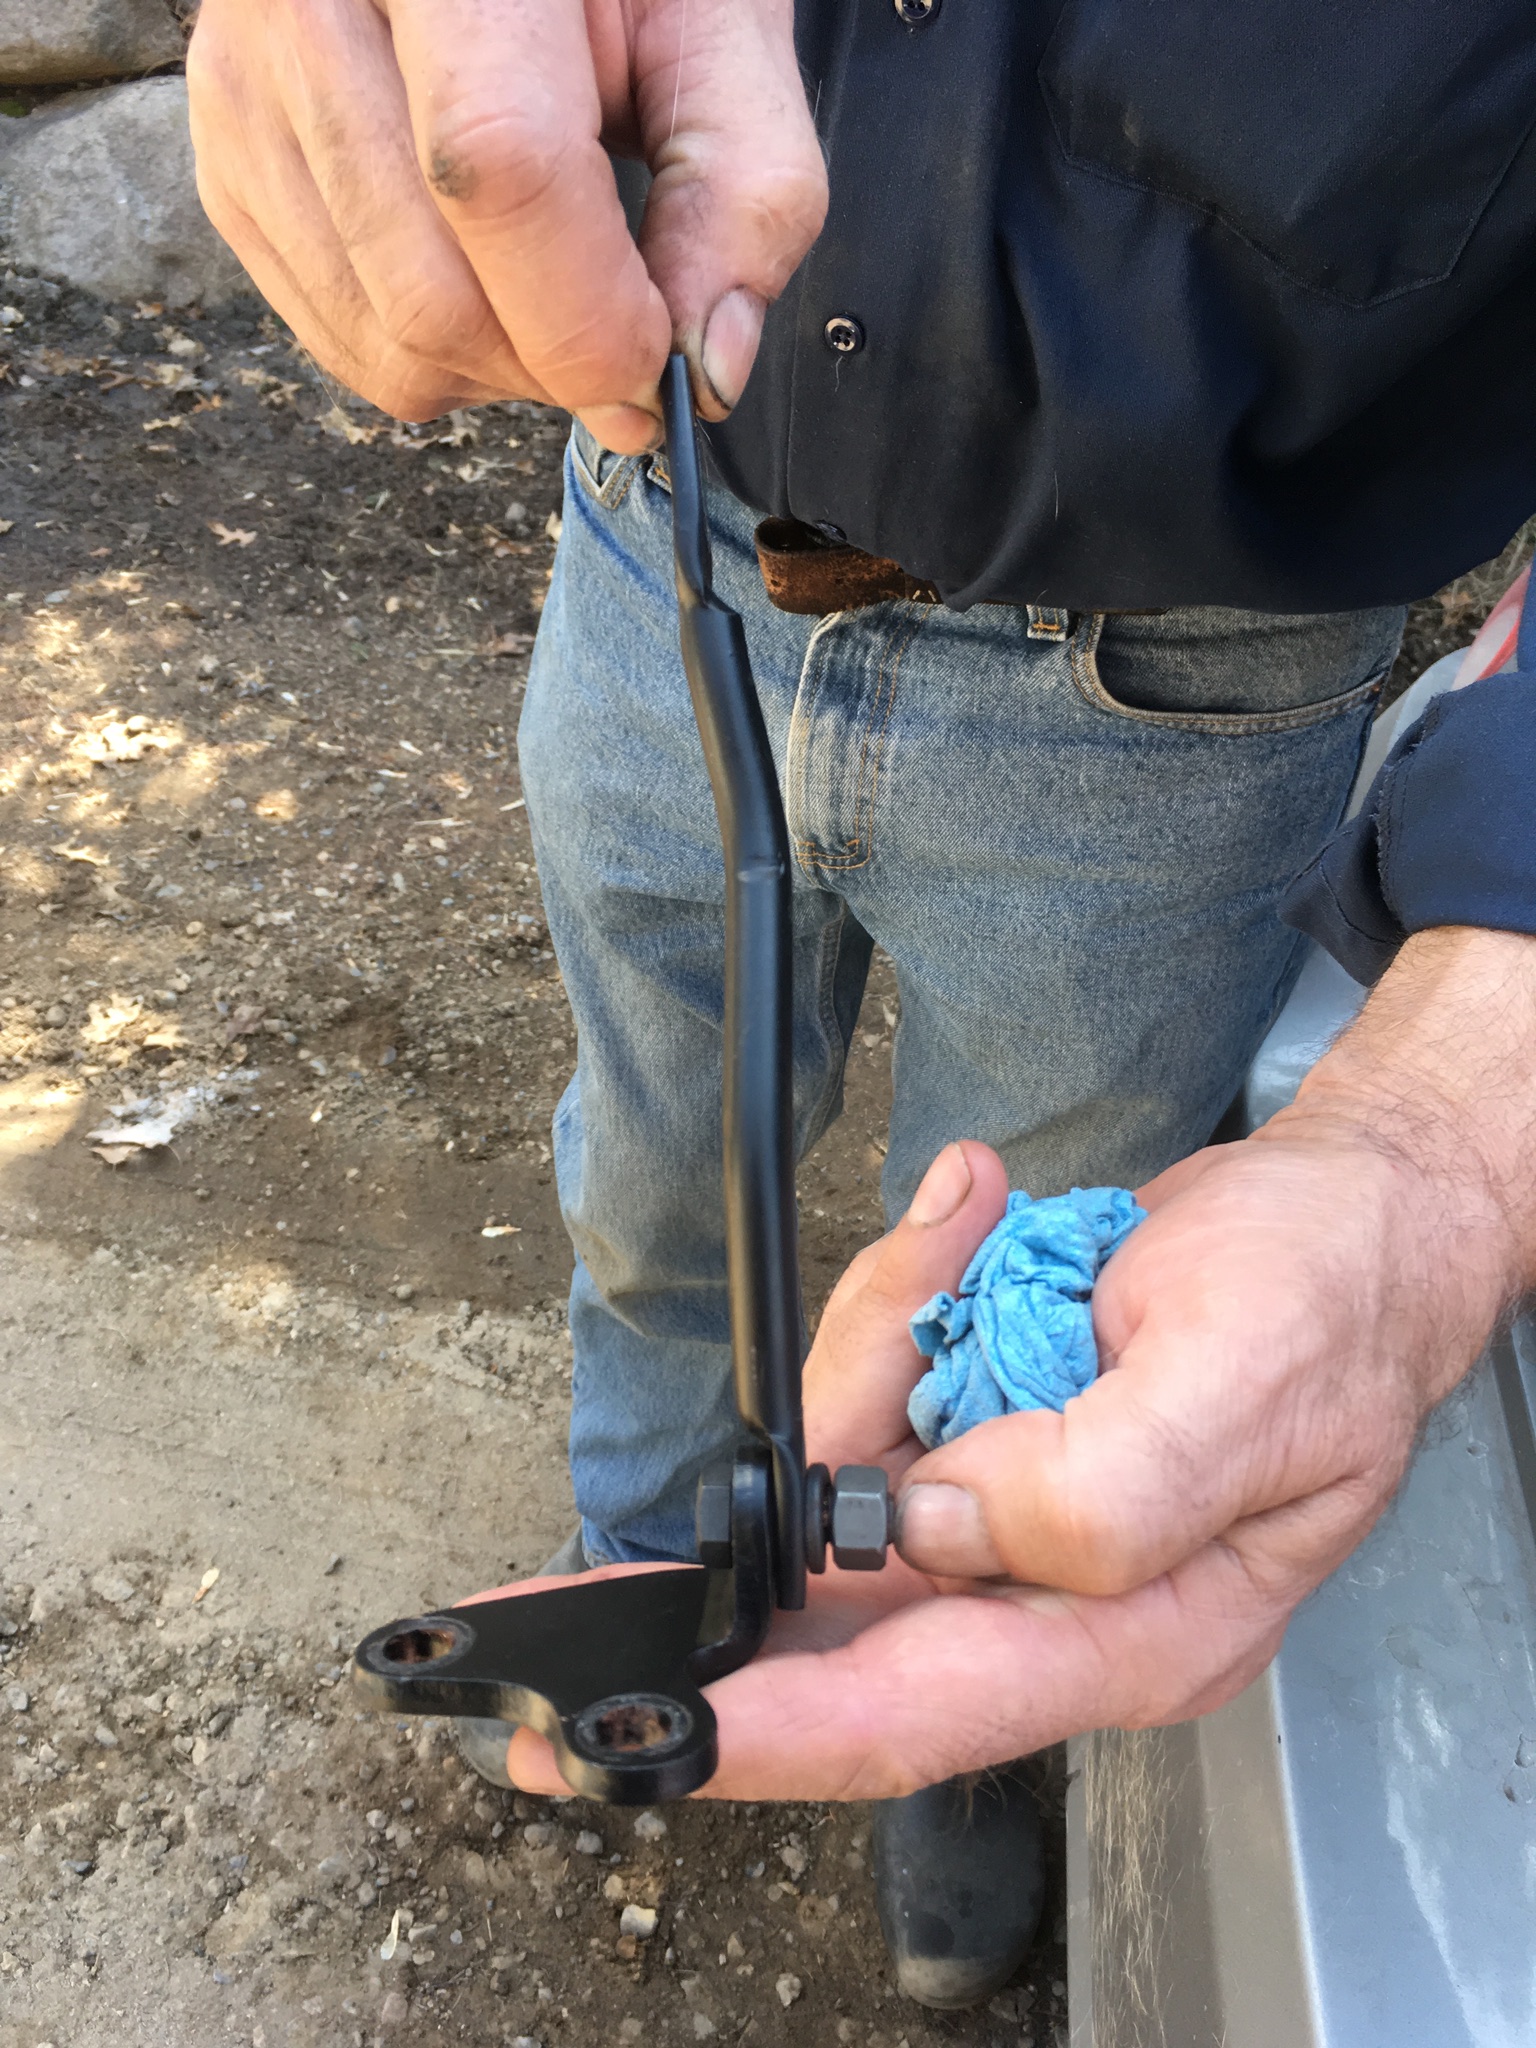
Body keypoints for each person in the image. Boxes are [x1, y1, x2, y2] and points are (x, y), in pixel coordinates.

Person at [186, 0, 1536, 2010]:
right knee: (649, 1169)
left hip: (1181, 686)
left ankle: (960, 1670)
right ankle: (641, 1568)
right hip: (666, 546)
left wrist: (1444, 1139)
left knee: (1034, 1292)